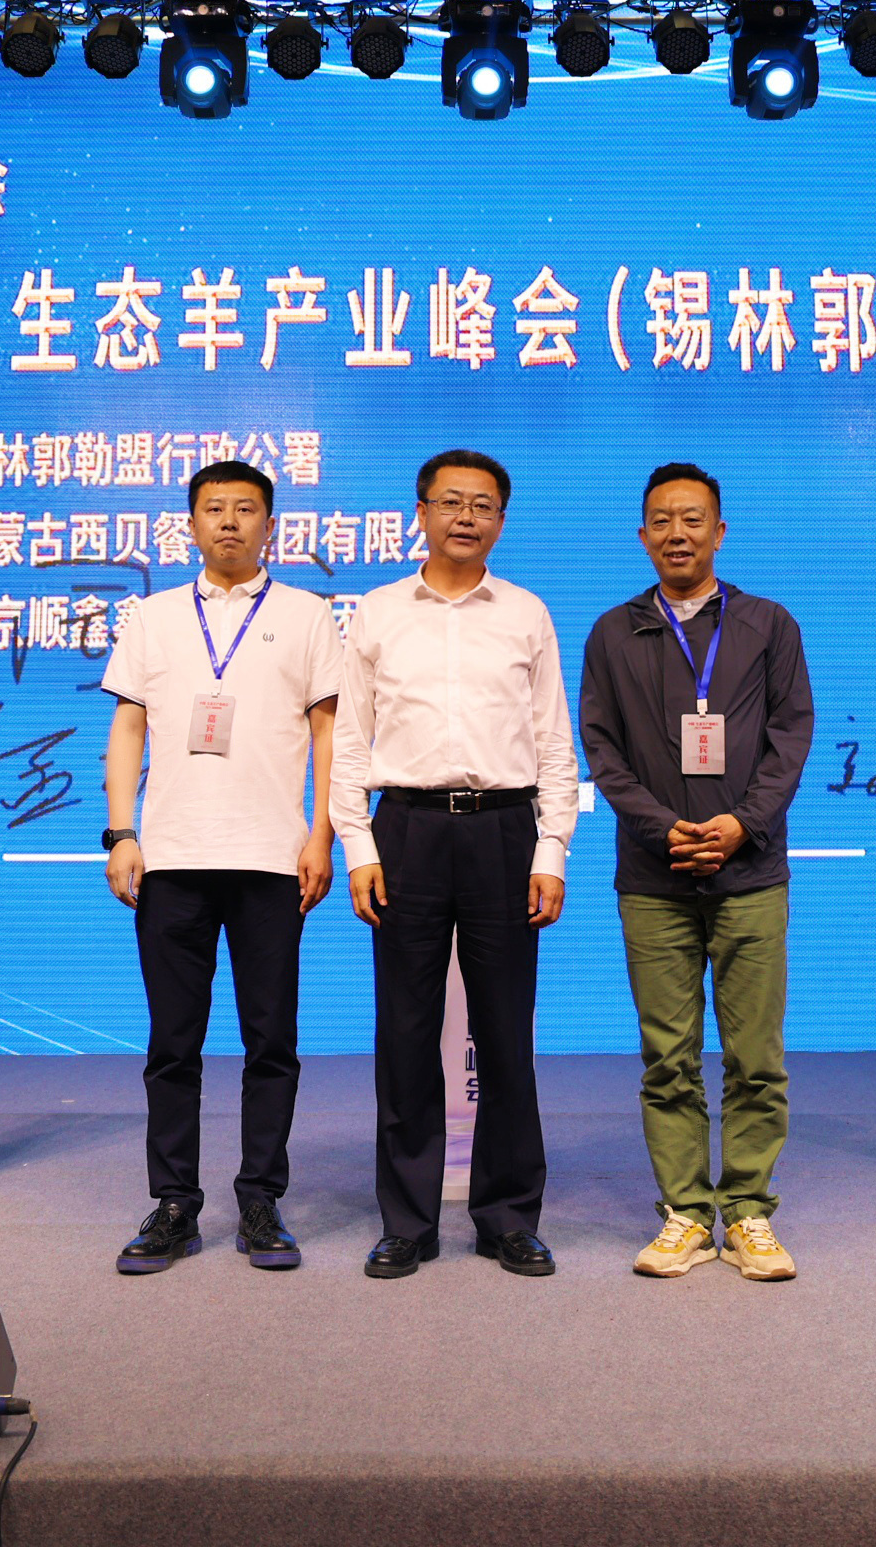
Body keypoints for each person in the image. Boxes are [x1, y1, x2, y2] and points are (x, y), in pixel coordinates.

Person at [333, 449, 578, 1279]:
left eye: (482, 505)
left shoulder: (526, 614)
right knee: (404, 1033)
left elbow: (553, 742)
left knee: (505, 1031)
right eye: (450, 502)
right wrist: (358, 845)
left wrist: (551, 850)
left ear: (501, 521)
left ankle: (507, 1217)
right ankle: (407, 1220)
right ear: (422, 513)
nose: (466, 516)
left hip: (504, 833)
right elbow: (351, 742)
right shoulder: (377, 612)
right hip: (406, 831)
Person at [98, 460, 341, 1274]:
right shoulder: (154, 617)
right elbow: (128, 726)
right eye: (213, 509)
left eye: (245, 509)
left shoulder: (308, 615)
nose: (229, 522)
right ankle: (174, 1203)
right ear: (191, 525)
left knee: (271, 1041)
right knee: (173, 1043)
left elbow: (330, 734)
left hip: (273, 858)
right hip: (172, 857)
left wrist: (322, 834)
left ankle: (261, 1199)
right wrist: (121, 833)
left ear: (272, 524)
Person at [580, 464, 814, 1281]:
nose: (676, 533)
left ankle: (747, 1212)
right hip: (655, 880)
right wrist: (661, 827)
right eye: (661, 520)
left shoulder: (767, 624)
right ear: (642, 535)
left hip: (751, 874)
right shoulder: (613, 633)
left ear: (720, 531)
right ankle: (685, 1212)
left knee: (756, 1059)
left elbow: (792, 736)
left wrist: (742, 824)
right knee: (667, 1058)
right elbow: (601, 749)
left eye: (692, 519)